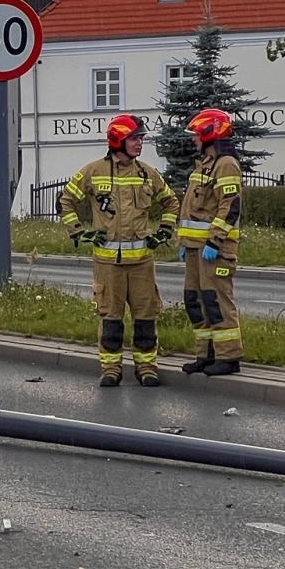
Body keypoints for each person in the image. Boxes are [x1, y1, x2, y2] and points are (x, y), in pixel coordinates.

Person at [58, 114, 178, 387]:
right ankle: (110, 369)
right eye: (135, 138)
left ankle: (147, 367)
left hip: (142, 264)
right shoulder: (93, 172)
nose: (140, 144)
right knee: (111, 319)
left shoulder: (147, 173)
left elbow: (171, 202)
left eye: (141, 139)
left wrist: (164, 231)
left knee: (146, 318)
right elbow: (65, 200)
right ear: (118, 141)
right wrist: (78, 231)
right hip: (107, 264)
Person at [177, 108, 244, 376]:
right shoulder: (205, 164)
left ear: (209, 133)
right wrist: (185, 242)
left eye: (196, 134)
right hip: (196, 250)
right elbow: (193, 209)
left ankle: (228, 357)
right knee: (195, 301)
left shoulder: (226, 164)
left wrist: (214, 241)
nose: (193, 139)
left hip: (215, 250)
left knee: (216, 302)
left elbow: (230, 207)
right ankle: (205, 354)